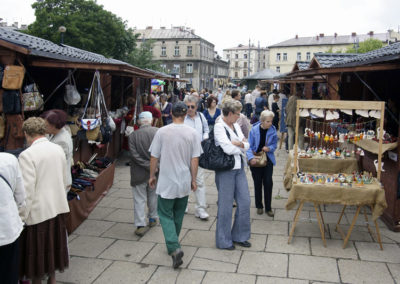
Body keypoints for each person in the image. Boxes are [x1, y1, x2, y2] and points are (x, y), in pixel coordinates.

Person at [149, 101, 201, 269]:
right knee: (178, 214)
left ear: (171, 113)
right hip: (184, 179)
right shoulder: (192, 133)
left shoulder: (162, 132)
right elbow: (195, 159)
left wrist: (151, 175)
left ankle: (173, 247)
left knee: (164, 214)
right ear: (186, 115)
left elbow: (154, 156)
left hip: (166, 180)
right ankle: (174, 244)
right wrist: (194, 179)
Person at [18, 117, 70, 284]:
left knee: (37, 261)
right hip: (57, 209)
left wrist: (21, 217)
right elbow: (65, 180)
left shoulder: (27, 155)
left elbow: (27, 192)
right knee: (53, 254)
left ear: (27, 134)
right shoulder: (57, 149)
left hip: (38, 214)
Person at [214, 99, 251, 250]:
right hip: (226, 170)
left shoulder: (236, 125)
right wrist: (241, 146)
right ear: (229, 113)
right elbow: (227, 149)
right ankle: (223, 240)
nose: (239, 116)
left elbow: (247, 144)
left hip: (240, 167)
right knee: (225, 206)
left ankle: (240, 235)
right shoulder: (219, 126)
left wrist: (240, 145)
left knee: (245, 202)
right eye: (237, 114)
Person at [129, 111, 159, 237]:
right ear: (151, 120)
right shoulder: (158, 132)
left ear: (140, 121)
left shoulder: (133, 136)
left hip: (138, 172)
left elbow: (134, 155)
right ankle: (153, 218)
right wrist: (155, 166)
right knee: (153, 195)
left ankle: (140, 225)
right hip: (156, 171)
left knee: (139, 198)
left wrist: (147, 165)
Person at [247, 110, 278, 217]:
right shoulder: (254, 130)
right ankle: (259, 206)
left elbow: (275, 145)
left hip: (267, 159)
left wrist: (269, 148)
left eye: (271, 121)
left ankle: (268, 208)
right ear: (262, 121)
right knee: (257, 183)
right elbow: (248, 146)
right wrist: (251, 158)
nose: (270, 123)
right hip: (255, 159)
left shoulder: (273, 130)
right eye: (268, 121)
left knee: (268, 182)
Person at [0, 152, 25, 284]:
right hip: (8, 228)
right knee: (8, 273)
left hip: (8, 229)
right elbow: (21, 197)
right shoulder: (9, 160)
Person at [184, 95, 210, 220]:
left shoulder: (201, 116)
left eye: (192, 106)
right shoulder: (182, 118)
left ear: (196, 107)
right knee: (184, 179)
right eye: (187, 106)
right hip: (184, 153)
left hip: (199, 152)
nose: (189, 109)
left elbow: (206, 130)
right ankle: (183, 204)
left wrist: (204, 138)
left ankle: (200, 208)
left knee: (199, 180)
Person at [40, 109, 73, 189]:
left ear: (54, 125)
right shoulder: (56, 133)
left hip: (60, 182)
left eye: (46, 125)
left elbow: (55, 164)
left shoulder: (61, 141)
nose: (44, 127)